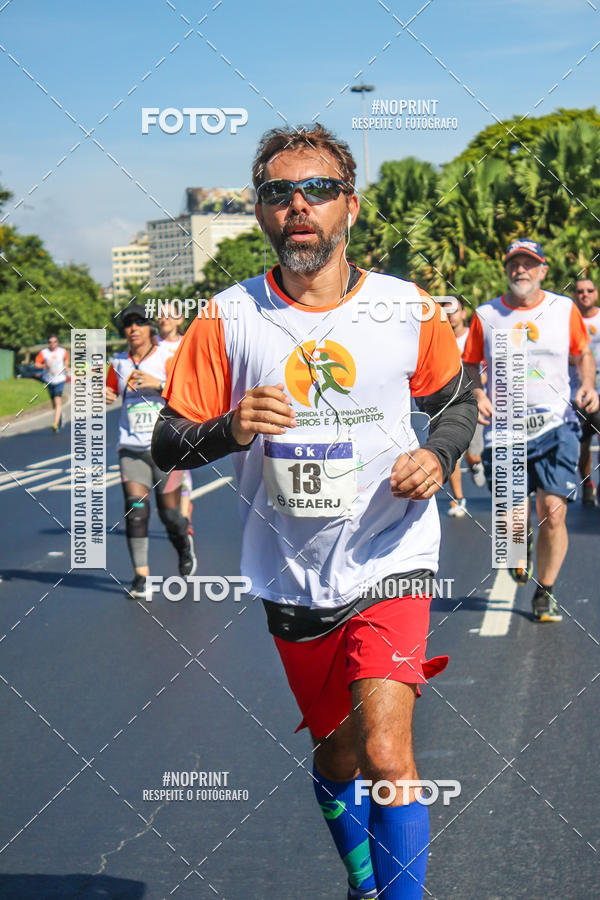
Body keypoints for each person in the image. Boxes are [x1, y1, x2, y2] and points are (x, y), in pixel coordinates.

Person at [153, 123, 477, 899]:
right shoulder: (227, 317)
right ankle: (364, 881)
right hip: (292, 574)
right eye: (277, 193)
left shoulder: (406, 307)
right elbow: (167, 443)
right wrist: (228, 429)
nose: (299, 205)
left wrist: (439, 456)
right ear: (261, 214)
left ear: (351, 208)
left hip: (394, 557)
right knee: (340, 758)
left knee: (390, 753)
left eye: (318, 189)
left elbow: (458, 400)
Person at [463, 240, 598, 622]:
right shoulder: (487, 314)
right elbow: (470, 363)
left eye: (529, 264)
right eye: (514, 264)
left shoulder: (563, 309)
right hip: (505, 432)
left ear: (543, 270)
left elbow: (582, 354)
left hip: (556, 425)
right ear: (506, 270)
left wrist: (587, 384)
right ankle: (516, 546)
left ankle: (546, 591)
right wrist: (475, 392)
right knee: (512, 521)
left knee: (553, 512)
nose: (520, 270)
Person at [106, 303, 196, 600]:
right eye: (128, 325)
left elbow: (188, 390)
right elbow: (107, 393)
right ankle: (141, 577)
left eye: (139, 323)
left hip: (166, 447)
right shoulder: (118, 363)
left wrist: (158, 384)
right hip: (131, 449)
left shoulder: (169, 356)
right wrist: (104, 395)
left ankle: (183, 545)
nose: (132, 329)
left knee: (170, 514)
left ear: (150, 328)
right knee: (136, 511)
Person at [440, 298, 486, 518]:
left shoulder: (474, 337)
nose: (450, 315)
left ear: (464, 313)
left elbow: (484, 368)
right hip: (448, 405)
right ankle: (458, 499)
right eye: (445, 311)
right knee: (452, 454)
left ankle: (477, 464)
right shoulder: (438, 339)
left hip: (474, 402)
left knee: (473, 454)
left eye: (454, 311)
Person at [157, 301, 194, 533]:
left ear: (180, 320)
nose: (164, 319)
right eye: (161, 315)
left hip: (182, 412)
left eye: (170, 316)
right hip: (155, 413)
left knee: (182, 465)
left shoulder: (187, 344)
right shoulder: (152, 347)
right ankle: (180, 514)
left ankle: (183, 516)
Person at [570, 278, 600, 505]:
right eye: (580, 291)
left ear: (596, 293)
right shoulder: (569, 321)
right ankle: (587, 483)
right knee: (583, 445)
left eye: (589, 290)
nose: (585, 295)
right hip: (576, 391)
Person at [35, 334, 69, 432]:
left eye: (54, 342)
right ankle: (59, 418)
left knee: (57, 400)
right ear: (48, 343)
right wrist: (44, 365)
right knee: (54, 403)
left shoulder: (63, 351)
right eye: (50, 342)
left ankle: (55, 424)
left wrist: (66, 367)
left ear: (57, 342)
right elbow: (37, 365)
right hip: (48, 380)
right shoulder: (44, 352)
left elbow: (66, 361)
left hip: (60, 379)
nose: (52, 344)